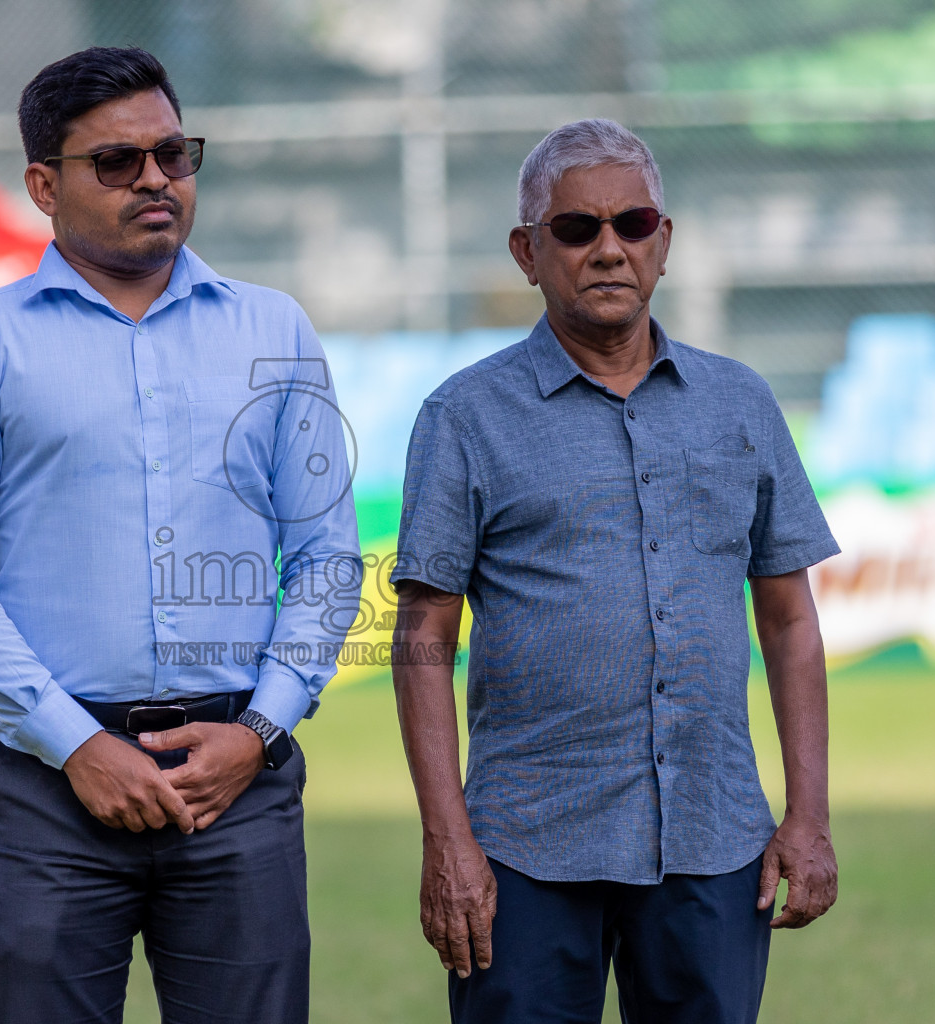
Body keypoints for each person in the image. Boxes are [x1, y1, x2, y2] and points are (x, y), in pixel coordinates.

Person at [0, 47, 359, 1024]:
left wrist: (259, 733)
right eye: (117, 161)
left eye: (172, 153)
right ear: (42, 184)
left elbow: (324, 561)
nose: (156, 178)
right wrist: (76, 746)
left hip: (240, 778)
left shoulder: (273, 331)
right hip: (47, 793)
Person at [389, 118, 840, 1024]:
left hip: (714, 842)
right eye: (575, 229)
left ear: (663, 243)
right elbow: (423, 637)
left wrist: (809, 816)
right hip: (522, 848)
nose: (608, 249)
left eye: (632, 225)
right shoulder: (465, 416)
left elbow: (790, 621)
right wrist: (448, 841)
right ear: (527, 252)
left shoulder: (740, 402)